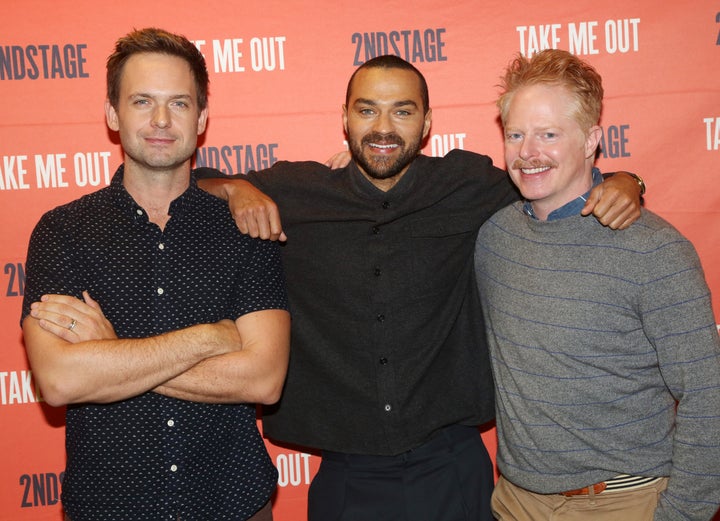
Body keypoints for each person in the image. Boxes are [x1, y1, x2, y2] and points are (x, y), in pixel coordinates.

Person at [34, 54, 643, 521]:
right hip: (345, 475)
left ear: (427, 123)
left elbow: (552, 174)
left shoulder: (468, 183)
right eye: (367, 110)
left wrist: (626, 179)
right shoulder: (293, 193)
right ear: (345, 118)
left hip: (453, 465)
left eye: (402, 110)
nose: (383, 126)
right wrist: (238, 189)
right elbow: (195, 178)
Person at [21, 28, 291, 521]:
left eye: (180, 103)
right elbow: (60, 379)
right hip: (108, 507)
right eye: (142, 101)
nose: (161, 120)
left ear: (202, 117)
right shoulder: (62, 231)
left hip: (234, 504)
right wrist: (213, 337)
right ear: (112, 113)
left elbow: (264, 377)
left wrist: (110, 355)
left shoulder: (244, 227)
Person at [474, 49, 720, 520]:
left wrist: (681, 515)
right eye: (517, 134)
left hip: (623, 503)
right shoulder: (494, 238)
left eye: (549, 134)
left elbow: (708, 397)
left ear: (591, 140)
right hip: (515, 502)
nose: (529, 152)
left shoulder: (653, 250)